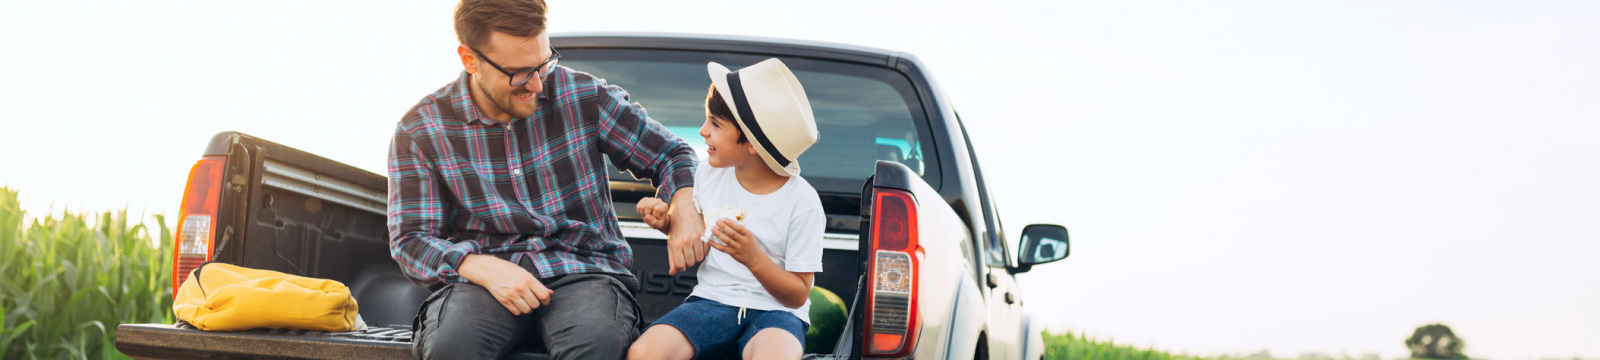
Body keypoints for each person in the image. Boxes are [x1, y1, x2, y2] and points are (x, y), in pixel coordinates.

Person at [386, 0, 710, 358]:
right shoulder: (421, 129)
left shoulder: (583, 96)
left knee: (596, 345)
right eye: (521, 73)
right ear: (469, 59)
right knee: (451, 347)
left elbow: (673, 154)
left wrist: (685, 201)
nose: (538, 84)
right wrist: (475, 265)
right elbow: (411, 238)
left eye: (544, 64)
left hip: (586, 271)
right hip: (480, 282)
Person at [627, 59, 825, 360]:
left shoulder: (803, 202)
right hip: (712, 302)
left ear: (753, 144)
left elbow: (798, 294)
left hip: (777, 314)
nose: (703, 131)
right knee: (643, 353)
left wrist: (753, 257)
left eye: (715, 124)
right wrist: (667, 223)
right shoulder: (708, 173)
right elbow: (704, 240)